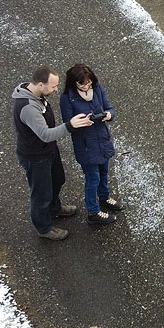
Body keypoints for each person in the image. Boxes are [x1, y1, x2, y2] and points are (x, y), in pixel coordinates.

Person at [12, 66, 92, 241]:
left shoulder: (37, 94)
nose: (56, 90)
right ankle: (44, 228)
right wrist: (70, 125)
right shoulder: (28, 108)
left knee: (58, 179)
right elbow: (45, 134)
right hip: (36, 157)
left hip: (48, 151)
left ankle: (54, 208)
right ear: (41, 84)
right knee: (41, 194)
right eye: (53, 86)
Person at [60, 63, 125, 225]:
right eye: (82, 84)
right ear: (74, 82)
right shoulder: (67, 98)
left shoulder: (97, 88)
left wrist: (108, 115)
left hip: (102, 140)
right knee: (92, 178)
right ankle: (93, 211)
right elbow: (69, 124)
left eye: (88, 83)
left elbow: (110, 108)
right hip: (85, 145)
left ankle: (104, 197)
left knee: (104, 172)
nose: (86, 86)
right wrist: (81, 122)